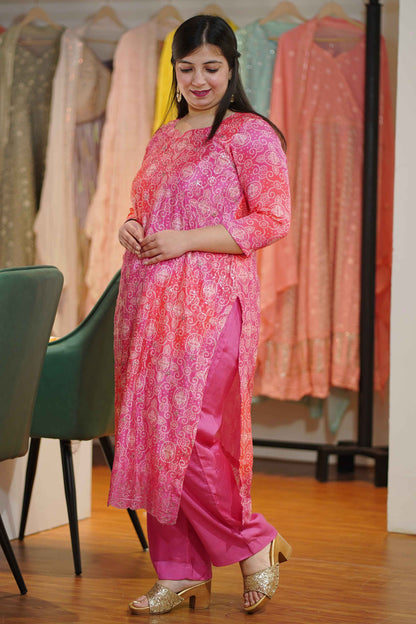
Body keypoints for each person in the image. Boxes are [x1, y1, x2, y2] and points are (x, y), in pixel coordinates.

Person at [108, 14, 292, 616]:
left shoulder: (249, 134)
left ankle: (253, 541)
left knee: (190, 437)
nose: (198, 80)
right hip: (149, 303)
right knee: (153, 435)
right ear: (175, 71)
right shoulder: (165, 136)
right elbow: (144, 204)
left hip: (212, 303)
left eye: (211, 67)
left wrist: (186, 240)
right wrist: (131, 225)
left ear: (231, 67)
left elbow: (273, 219)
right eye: (186, 68)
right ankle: (179, 570)